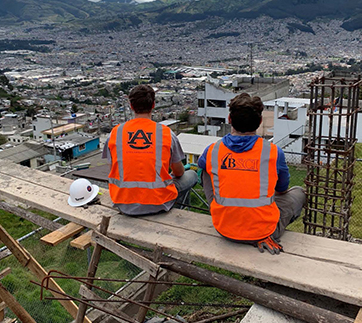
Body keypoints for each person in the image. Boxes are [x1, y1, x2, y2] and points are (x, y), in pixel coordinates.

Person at [198, 93, 305, 254]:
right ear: (260, 121)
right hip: (263, 231)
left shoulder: (213, 151)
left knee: (204, 168)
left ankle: (221, 210)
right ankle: (263, 225)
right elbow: (282, 189)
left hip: (224, 227)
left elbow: (203, 171)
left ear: (229, 119)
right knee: (299, 192)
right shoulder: (273, 152)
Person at [103, 84, 197, 216]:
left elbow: (113, 167)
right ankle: (177, 210)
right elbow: (179, 172)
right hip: (159, 202)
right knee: (192, 175)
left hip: (122, 202)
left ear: (131, 106)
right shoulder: (166, 134)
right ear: (153, 105)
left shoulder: (115, 133)